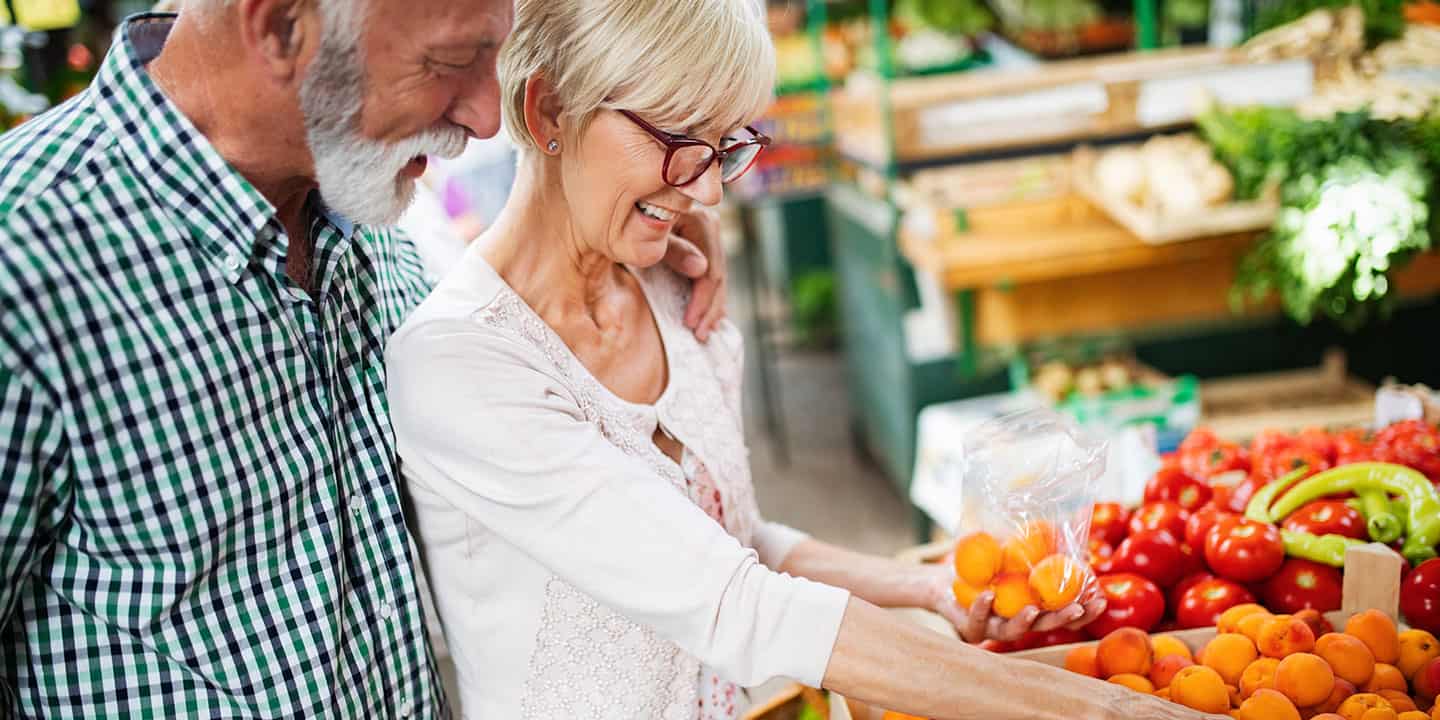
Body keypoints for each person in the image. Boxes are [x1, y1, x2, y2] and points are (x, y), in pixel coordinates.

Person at [385, 2, 1225, 719]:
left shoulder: (677, 293)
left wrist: (931, 592)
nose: (710, 190)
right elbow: (733, 603)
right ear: (548, 113)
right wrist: (1102, 705)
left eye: (726, 146)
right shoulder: (463, 369)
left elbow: (736, 540)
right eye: (681, 140)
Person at [0, 0, 730, 716]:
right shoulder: (23, 261)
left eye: (493, 59)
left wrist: (640, 215)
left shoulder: (363, 200)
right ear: (283, 28)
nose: (484, 118)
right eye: (448, 62)